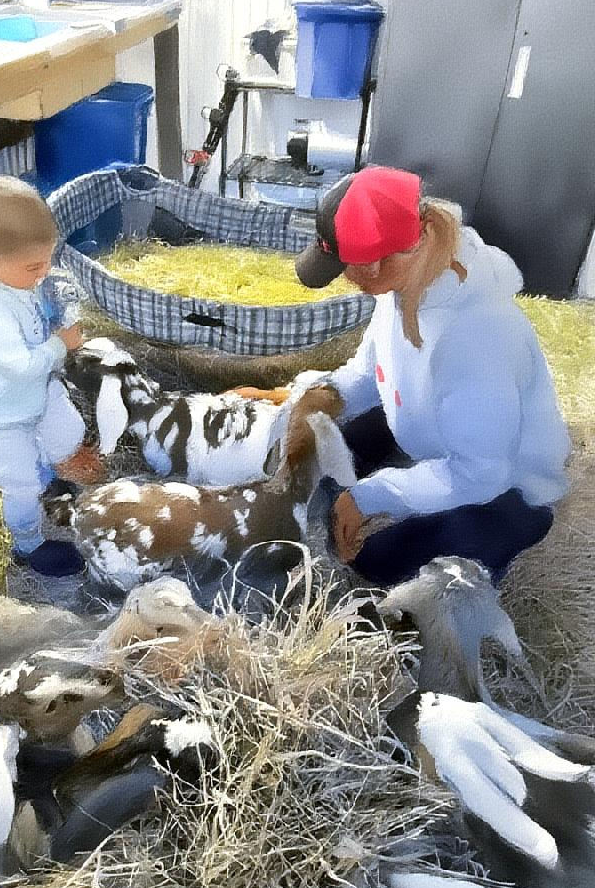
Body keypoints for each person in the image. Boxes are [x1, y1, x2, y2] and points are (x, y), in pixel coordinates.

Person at [238, 166, 571, 587]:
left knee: (376, 568)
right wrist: (306, 397)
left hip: (506, 490)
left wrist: (369, 496)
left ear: (379, 262)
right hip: (429, 437)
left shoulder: (477, 335)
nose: (343, 276)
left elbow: (483, 473)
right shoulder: (402, 288)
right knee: (320, 460)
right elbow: (365, 377)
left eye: (346, 264)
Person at [0, 175, 103, 578]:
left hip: (31, 393)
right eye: (35, 266)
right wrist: (61, 344)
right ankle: (28, 545)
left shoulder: (8, 273)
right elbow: (19, 365)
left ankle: (52, 477)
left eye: (46, 261)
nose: (44, 272)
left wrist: (50, 310)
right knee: (20, 480)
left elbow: (30, 304)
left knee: (64, 429)